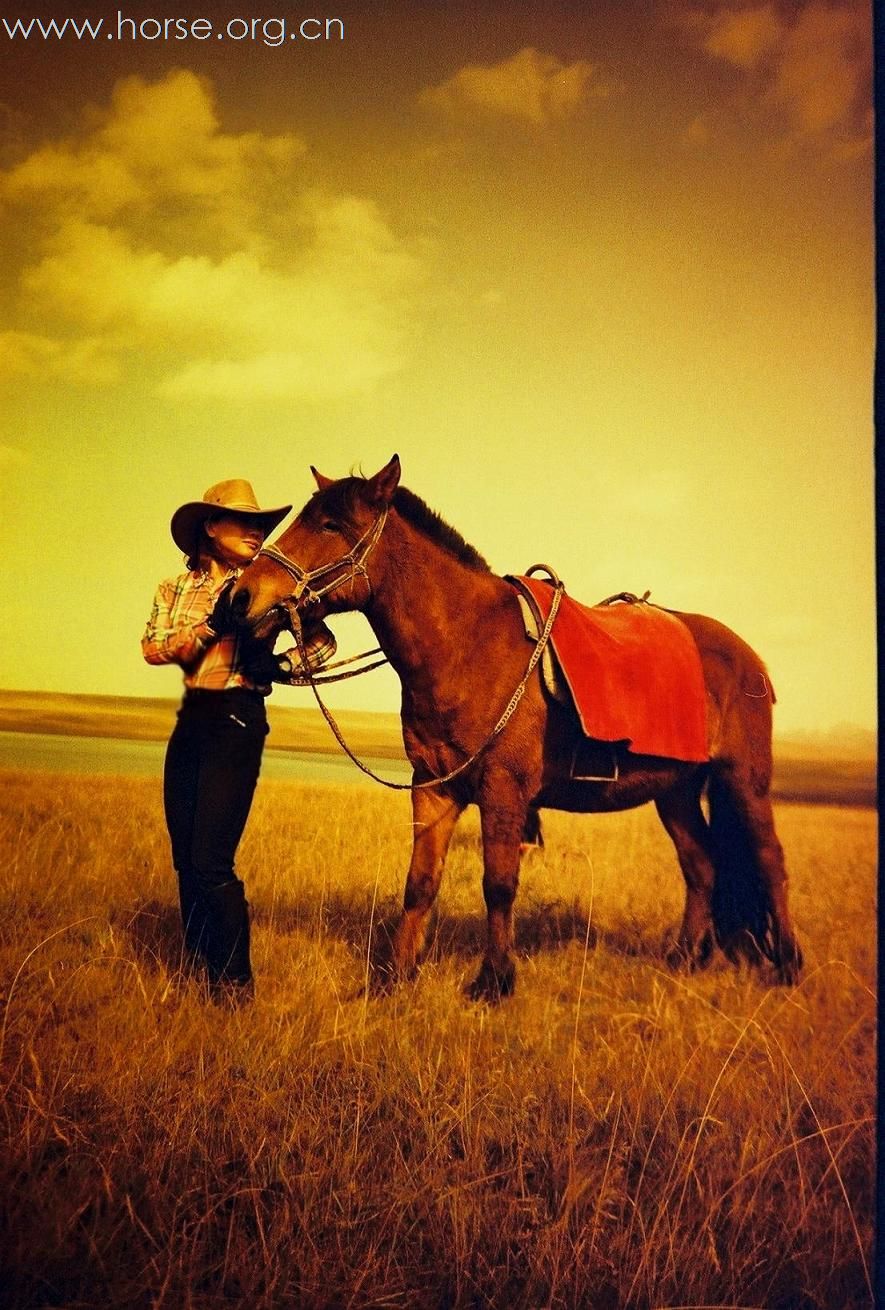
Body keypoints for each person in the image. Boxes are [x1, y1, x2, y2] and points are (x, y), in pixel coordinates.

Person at [142, 478, 336, 1001]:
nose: (257, 532)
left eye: (261, 525)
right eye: (244, 522)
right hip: (192, 721)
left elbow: (322, 642)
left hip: (238, 719)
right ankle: (198, 970)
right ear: (210, 527)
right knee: (185, 858)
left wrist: (277, 665)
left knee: (211, 860)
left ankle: (234, 986)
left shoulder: (269, 581)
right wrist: (209, 629)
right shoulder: (173, 589)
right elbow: (154, 647)